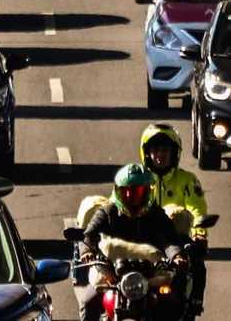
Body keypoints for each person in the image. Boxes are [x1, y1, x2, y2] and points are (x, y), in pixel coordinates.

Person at [76, 164, 185, 321]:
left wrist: (176, 255)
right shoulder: (108, 211)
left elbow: (169, 240)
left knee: (174, 302)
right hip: (112, 271)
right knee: (88, 302)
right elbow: (89, 235)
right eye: (126, 191)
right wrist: (87, 251)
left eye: (137, 192)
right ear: (118, 191)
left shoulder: (156, 214)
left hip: (150, 272)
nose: (131, 196)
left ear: (148, 191)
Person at [140, 124, 209, 315]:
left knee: (198, 266)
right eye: (155, 150)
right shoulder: (137, 178)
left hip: (177, 241)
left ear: (174, 153)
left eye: (165, 150)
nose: (160, 155)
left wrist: (200, 235)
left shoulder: (187, 180)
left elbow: (197, 208)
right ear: (146, 152)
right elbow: (117, 204)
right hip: (143, 242)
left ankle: (194, 302)